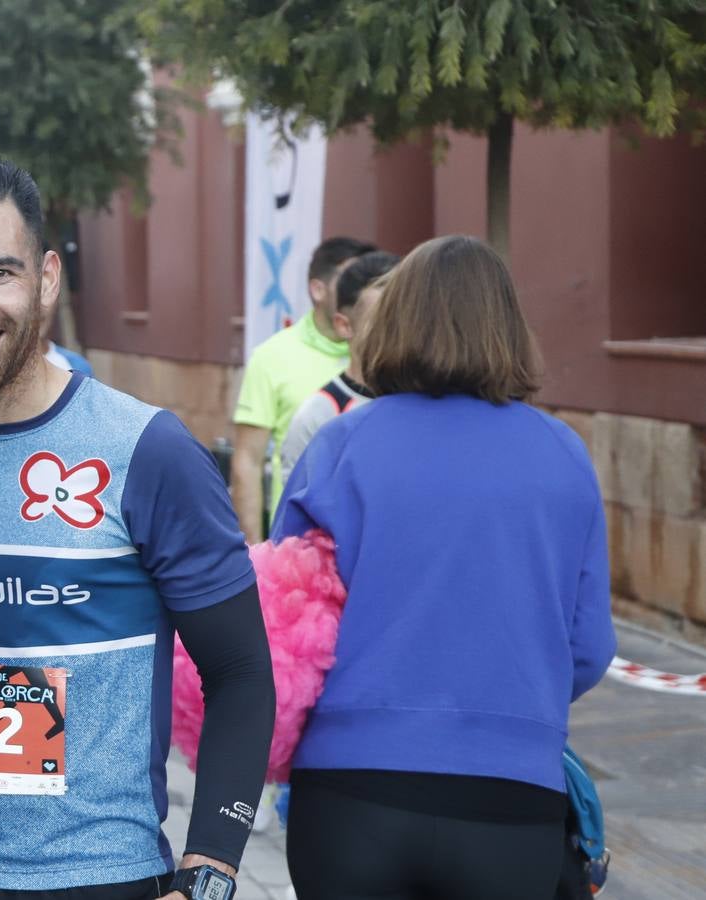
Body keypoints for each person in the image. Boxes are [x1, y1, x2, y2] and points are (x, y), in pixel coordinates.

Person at [0, 154, 274, 900]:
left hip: (96, 878)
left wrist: (209, 867)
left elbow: (241, 672)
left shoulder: (147, 448)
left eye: (0, 272)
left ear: (47, 277)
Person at [272, 235, 617, 900]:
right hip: (510, 794)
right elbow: (589, 647)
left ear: (395, 319)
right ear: (510, 329)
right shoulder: (563, 455)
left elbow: (283, 624)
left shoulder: (342, 443)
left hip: (349, 790)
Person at [231, 236, 375, 542]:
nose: (360, 288)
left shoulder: (391, 358)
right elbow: (248, 459)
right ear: (318, 289)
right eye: (349, 278)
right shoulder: (272, 356)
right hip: (298, 543)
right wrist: (256, 553)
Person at [275, 250, 399, 488]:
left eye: (402, 319)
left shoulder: (425, 402)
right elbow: (300, 515)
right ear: (344, 326)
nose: (395, 332)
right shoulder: (318, 415)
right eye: (380, 322)